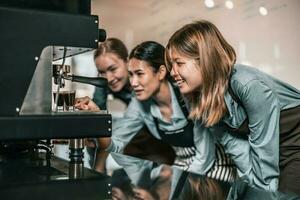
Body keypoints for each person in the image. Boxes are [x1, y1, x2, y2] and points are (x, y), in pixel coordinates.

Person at [165, 20, 300, 194]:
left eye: (179, 63)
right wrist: (249, 185)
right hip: (269, 151)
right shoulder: (199, 99)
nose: (172, 72)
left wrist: (260, 192)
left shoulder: (247, 84)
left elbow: (264, 159)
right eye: (171, 64)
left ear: (204, 60)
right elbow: (236, 147)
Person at [76, 41, 236, 182]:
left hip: (216, 162)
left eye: (139, 74)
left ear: (160, 72)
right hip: (181, 162)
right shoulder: (138, 104)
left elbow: (205, 157)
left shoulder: (187, 95)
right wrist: (96, 114)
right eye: (131, 75)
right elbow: (115, 144)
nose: (133, 83)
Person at [87, 38, 174, 172]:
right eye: (102, 72)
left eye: (113, 69)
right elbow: (99, 119)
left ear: (127, 62)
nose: (108, 78)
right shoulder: (103, 82)